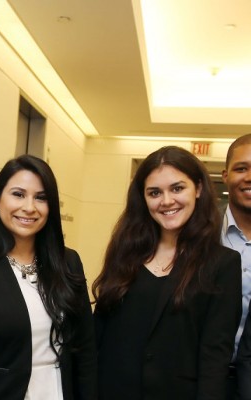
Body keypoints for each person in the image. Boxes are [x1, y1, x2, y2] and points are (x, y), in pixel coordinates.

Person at [0, 155, 97, 400]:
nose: (29, 207)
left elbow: (85, 350)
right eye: (18, 194)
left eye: (41, 197)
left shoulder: (68, 263)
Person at [93, 145, 242, 400]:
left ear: (198, 189)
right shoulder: (125, 252)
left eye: (177, 188)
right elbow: (99, 334)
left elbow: (214, 356)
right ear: (143, 198)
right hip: (111, 390)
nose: (167, 201)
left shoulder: (222, 263)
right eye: (154, 192)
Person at [222, 134, 251, 399]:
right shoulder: (199, 237)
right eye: (241, 168)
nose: (249, 177)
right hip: (203, 381)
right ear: (225, 175)